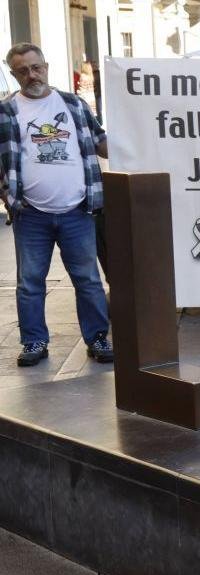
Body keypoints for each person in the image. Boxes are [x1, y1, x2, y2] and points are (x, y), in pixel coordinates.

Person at [0, 42, 112, 366]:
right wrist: (8, 195)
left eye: (36, 67)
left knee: (88, 279)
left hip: (78, 209)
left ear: (46, 66)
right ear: (14, 74)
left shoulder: (73, 103)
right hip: (31, 214)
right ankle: (34, 342)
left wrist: (137, 142)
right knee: (30, 282)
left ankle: (98, 338)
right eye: (23, 70)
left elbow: (100, 141)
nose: (31, 75)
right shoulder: (7, 111)